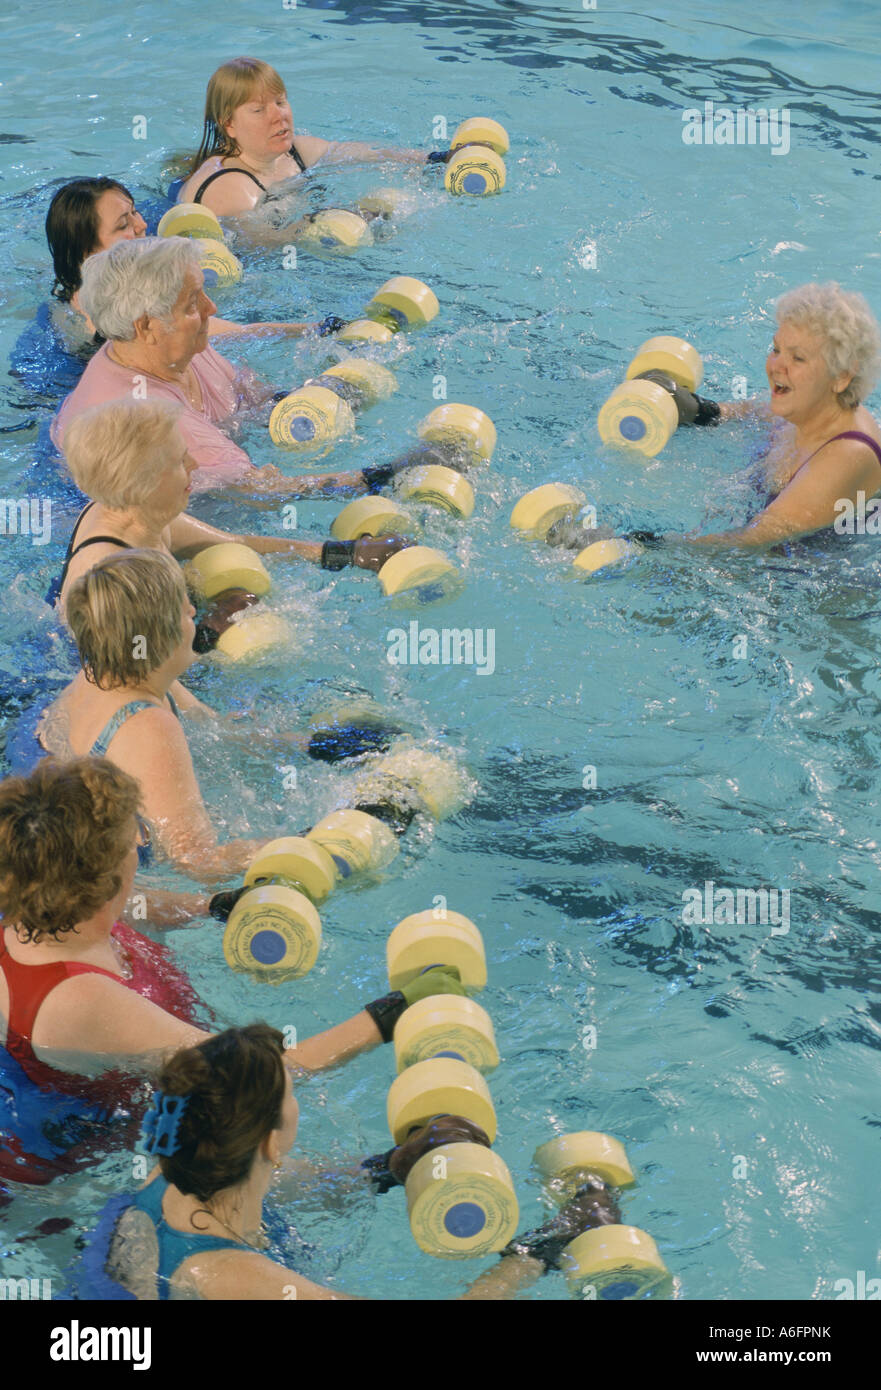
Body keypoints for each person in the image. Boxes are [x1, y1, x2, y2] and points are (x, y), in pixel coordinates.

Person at [0, 761, 464, 1188]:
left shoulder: (39, 907)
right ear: (101, 877)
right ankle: (378, 1173)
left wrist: (217, 905)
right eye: (132, 840)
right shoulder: (82, 1001)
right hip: (61, 1175)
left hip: (63, 1101)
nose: (141, 843)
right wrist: (387, 1016)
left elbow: (138, 902)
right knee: (228, 1159)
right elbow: (258, 1074)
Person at [82, 1024, 621, 1300]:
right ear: (271, 1141)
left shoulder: (181, 1168)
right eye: (291, 1092)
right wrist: (536, 1253)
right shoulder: (230, 1276)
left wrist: (395, 1163)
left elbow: (318, 1185)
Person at [36, 551, 399, 877]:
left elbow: (219, 733)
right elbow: (196, 861)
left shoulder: (109, 671)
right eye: (184, 608)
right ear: (160, 634)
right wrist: (323, 835)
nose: (195, 612)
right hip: (110, 872)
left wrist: (324, 745)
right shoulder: (146, 724)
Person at [50, 236, 406, 497]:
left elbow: (256, 400)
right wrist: (390, 473)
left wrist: (332, 393)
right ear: (146, 326)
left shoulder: (178, 346)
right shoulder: (148, 419)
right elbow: (266, 492)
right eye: (193, 303)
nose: (212, 309)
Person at [549, 282, 881, 552]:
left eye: (798, 358)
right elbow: (755, 411)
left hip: (822, 587)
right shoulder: (805, 406)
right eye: (777, 349)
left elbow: (753, 542)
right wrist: (696, 409)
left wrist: (630, 545)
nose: (777, 366)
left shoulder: (847, 456)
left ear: (842, 377)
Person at [52, 397, 408, 614]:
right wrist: (209, 635)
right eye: (180, 461)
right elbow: (138, 684)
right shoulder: (112, 582)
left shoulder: (137, 513)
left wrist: (346, 553)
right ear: (142, 484)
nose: (195, 465)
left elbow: (234, 542)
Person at [178, 57, 427, 217]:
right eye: (259, 109)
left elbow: (373, 154)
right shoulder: (231, 187)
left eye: (280, 101)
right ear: (229, 124)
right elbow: (265, 244)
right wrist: (361, 214)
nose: (279, 116)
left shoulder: (296, 153)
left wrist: (437, 158)